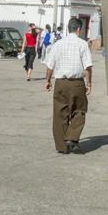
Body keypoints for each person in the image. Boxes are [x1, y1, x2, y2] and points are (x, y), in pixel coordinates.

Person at [44, 17, 92, 154]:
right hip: (77, 83)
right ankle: (72, 137)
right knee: (80, 110)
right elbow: (88, 67)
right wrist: (89, 83)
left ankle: (62, 147)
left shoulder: (58, 44)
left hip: (60, 83)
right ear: (79, 29)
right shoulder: (82, 44)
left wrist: (47, 80)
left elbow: (50, 65)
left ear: (67, 29)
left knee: (60, 115)